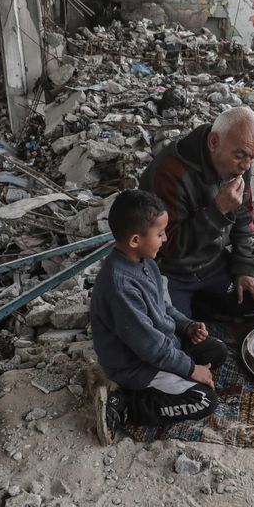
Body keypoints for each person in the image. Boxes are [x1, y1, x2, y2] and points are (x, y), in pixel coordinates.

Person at [89, 190, 229, 443]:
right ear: (135, 240)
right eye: (160, 233)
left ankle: (178, 370)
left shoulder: (145, 262)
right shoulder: (120, 286)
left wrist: (186, 326)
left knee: (217, 351)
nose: (165, 238)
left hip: (161, 346)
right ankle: (125, 405)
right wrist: (191, 369)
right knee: (204, 400)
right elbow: (151, 348)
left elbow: (162, 306)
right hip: (137, 365)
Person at [140, 106, 254, 319]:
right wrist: (218, 211)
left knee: (252, 303)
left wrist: (244, 267)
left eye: (253, 157)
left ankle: (202, 304)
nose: (246, 165)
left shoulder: (241, 162)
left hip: (212, 262)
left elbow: (244, 217)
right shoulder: (169, 172)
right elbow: (170, 246)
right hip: (172, 270)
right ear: (214, 142)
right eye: (240, 156)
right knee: (172, 330)